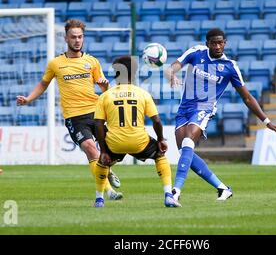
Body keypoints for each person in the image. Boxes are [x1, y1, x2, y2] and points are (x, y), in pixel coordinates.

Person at [166, 28, 276, 203]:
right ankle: (223, 188)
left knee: (188, 141)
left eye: (220, 42)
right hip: (184, 108)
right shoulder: (195, 52)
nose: (217, 46)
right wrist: (171, 76)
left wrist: (266, 121)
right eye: (213, 43)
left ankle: (175, 192)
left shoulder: (230, 67)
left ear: (225, 43)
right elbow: (171, 68)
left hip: (204, 109)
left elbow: (247, 97)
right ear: (207, 43)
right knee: (185, 152)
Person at [16, 19, 122, 201]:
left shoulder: (92, 62)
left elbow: (105, 91)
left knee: (111, 151)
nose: (77, 40)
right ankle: (109, 190)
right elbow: (43, 84)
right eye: (73, 37)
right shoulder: (56, 64)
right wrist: (28, 99)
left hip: (96, 112)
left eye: (80, 37)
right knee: (90, 148)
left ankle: (108, 168)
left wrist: (105, 87)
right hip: (75, 117)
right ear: (66, 38)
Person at [93, 55, 181, 208]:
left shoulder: (106, 96)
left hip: (115, 143)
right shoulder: (143, 94)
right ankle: (168, 195)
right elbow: (157, 121)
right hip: (139, 142)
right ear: (134, 73)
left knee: (102, 163)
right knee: (160, 155)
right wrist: (161, 139)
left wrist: (104, 150)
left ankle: (99, 200)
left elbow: (98, 124)